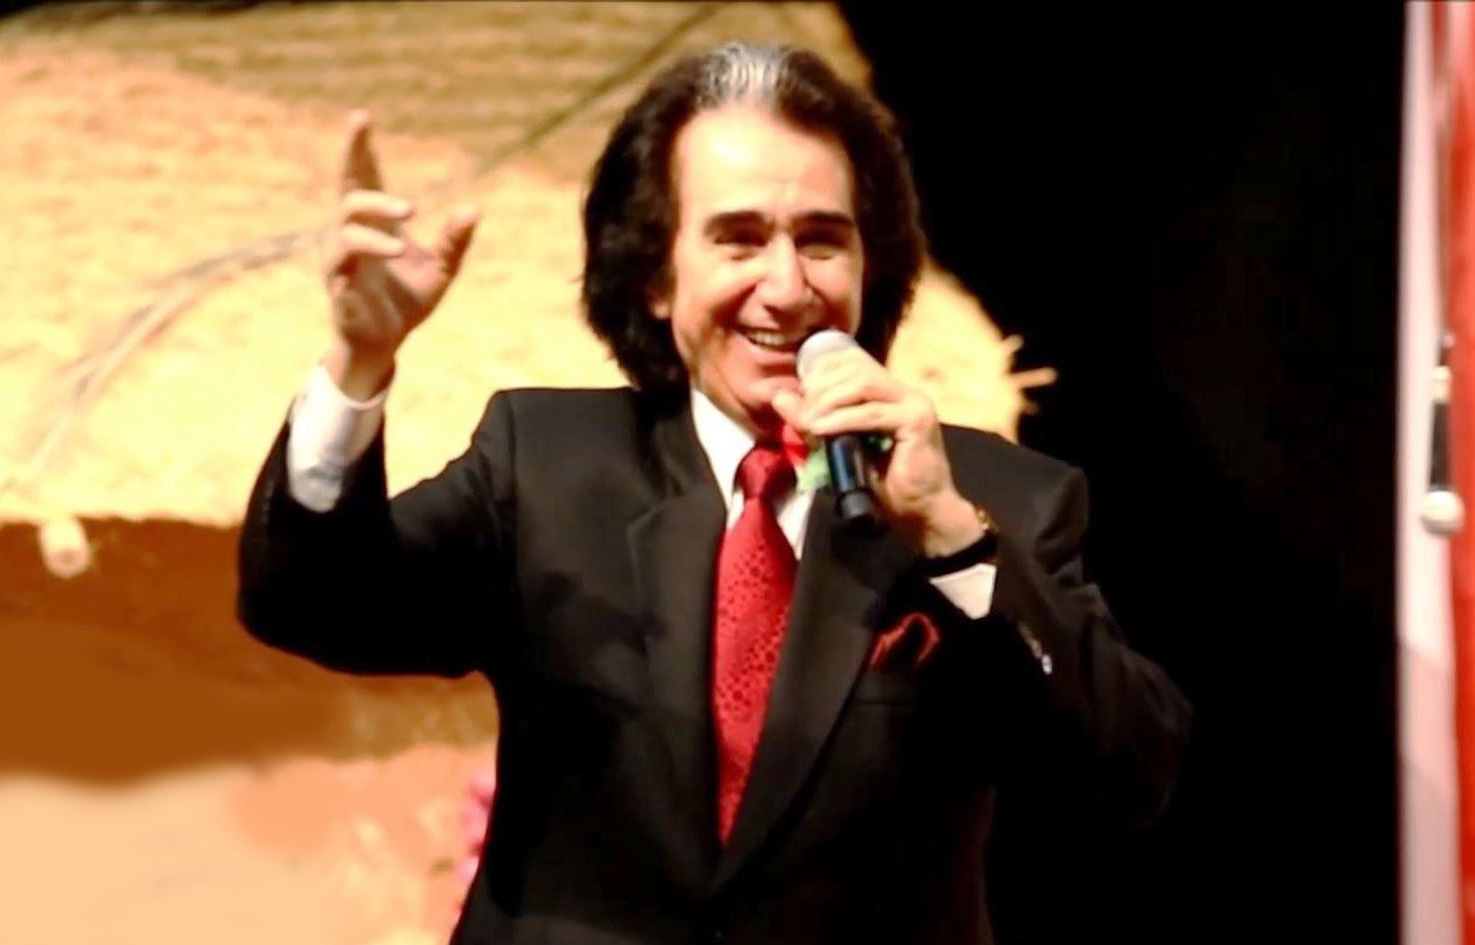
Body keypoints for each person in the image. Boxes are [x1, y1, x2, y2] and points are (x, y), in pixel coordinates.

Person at [238, 42, 1190, 945]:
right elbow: (315, 603)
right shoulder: (548, 465)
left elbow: (1124, 777)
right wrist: (359, 363)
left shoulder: (994, 501)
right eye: (739, 240)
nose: (787, 287)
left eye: (823, 241)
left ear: (871, 265)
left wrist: (949, 535)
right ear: (655, 273)